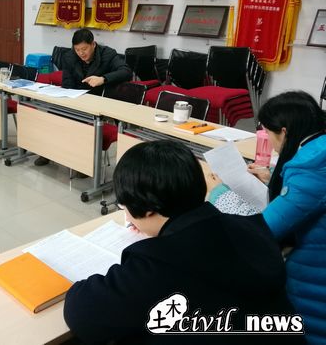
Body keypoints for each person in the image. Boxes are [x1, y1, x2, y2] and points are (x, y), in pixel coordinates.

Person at [64, 140, 303, 345]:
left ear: (148, 208)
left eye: (123, 206)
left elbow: (82, 314)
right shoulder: (251, 227)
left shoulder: (156, 265)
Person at [209, 91, 326, 344]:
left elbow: (263, 230)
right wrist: (272, 176)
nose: (270, 143)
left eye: (268, 133)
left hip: (313, 284)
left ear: (284, 132)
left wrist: (209, 219)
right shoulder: (318, 151)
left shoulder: (313, 168)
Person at [35, 28, 132, 167]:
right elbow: (67, 83)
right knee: (53, 114)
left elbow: (126, 71)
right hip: (76, 97)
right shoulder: (69, 57)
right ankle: (47, 152)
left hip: (98, 99)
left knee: (80, 124)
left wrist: (103, 79)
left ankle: (82, 163)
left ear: (93, 44)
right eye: (77, 50)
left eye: (84, 49)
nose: (81, 53)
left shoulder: (108, 54)